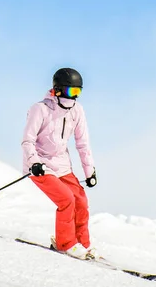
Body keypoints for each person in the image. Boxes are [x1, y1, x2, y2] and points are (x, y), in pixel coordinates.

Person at [21, 67, 98, 260]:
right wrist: (34, 163)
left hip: (63, 166)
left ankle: (82, 244)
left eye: (77, 92)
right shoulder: (40, 109)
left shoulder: (77, 110)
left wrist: (90, 172)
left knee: (81, 201)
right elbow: (27, 141)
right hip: (41, 166)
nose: (73, 97)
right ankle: (65, 244)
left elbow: (82, 143)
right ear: (57, 89)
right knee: (66, 200)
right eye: (70, 92)